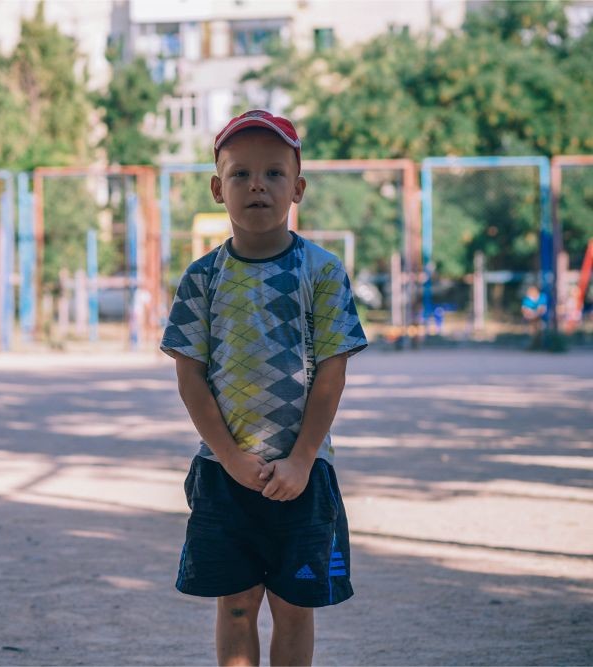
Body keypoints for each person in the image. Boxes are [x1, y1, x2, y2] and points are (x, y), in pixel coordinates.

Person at [160, 110, 368, 666]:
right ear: (216, 188)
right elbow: (190, 376)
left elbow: (332, 372)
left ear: (297, 188)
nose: (257, 184)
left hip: (303, 472)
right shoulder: (202, 279)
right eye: (240, 173)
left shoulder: (321, 272)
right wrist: (229, 459)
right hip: (225, 475)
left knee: (295, 605)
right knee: (235, 603)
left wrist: (301, 461)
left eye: (275, 173)